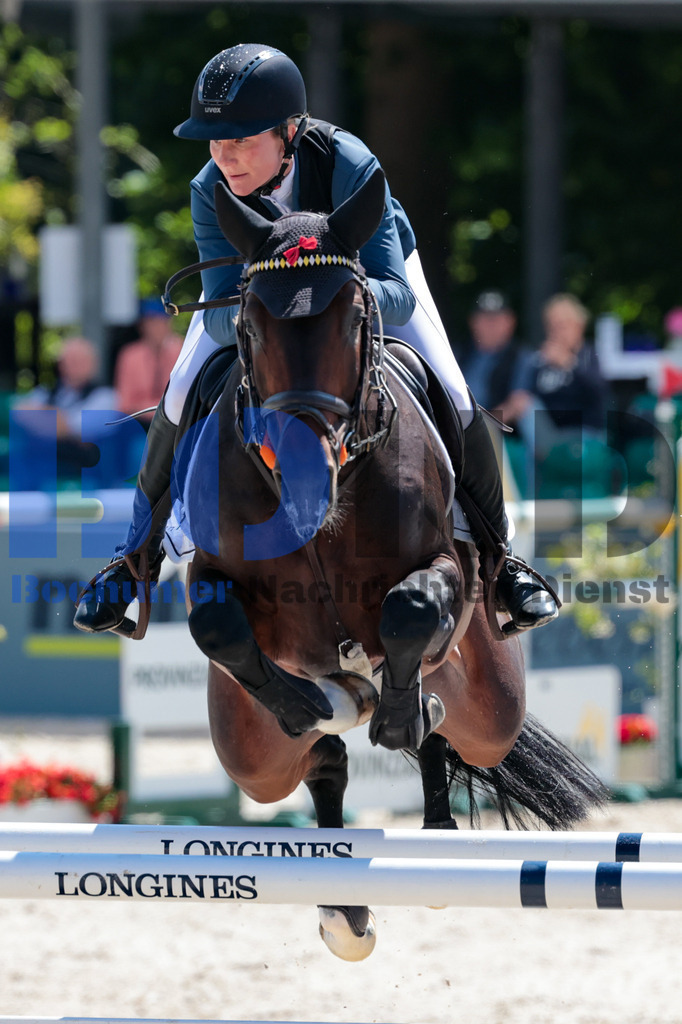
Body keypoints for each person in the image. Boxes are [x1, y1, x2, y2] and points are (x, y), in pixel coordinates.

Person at [74, 43, 557, 636]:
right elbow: (223, 307)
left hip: (367, 286)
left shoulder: (350, 164)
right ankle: (133, 562)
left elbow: (396, 293)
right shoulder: (210, 189)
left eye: (243, 140)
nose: (226, 158)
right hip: (258, 300)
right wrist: (264, 314)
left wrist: (337, 308)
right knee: (178, 394)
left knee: (454, 392)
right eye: (216, 141)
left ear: (289, 131)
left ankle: (502, 561)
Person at [13, 336, 118, 489]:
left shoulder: (105, 396)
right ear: (61, 365)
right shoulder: (46, 392)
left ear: (93, 364)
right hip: (42, 454)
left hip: (82, 463)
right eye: (71, 360)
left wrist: (43, 419)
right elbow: (19, 411)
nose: (75, 365)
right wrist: (55, 419)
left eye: (81, 360)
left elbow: (72, 427)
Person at [459, 290, 530, 426]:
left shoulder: (521, 356)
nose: (491, 324)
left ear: (510, 322)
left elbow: (518, 402)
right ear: (473, 322)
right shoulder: (459, 353)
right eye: (485, 318)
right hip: (457, 425)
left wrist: (482, 427)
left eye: (497, 319)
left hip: (502, 434)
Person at [114, 298, 183, 425]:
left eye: (161, 321)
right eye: (151, 322)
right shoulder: (130, 356)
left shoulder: (181, 350)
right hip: (140, 423)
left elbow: (184, 398)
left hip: (175, 423)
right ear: (142, 326)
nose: (156, 327)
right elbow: (125, 405)